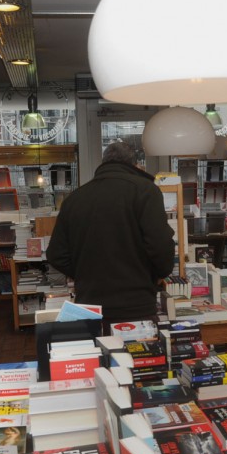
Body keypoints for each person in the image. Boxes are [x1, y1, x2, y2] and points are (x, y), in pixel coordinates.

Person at [46, 141, 175, 331]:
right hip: (136, 305)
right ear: (134, 164)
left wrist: (85, 273)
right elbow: (161, 247)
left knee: (97, 359)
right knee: (139, 358)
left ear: (104, 162)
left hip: (90, 306)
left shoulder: (74, 199)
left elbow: (56, 254)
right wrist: (154, 275)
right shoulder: (145, 191)